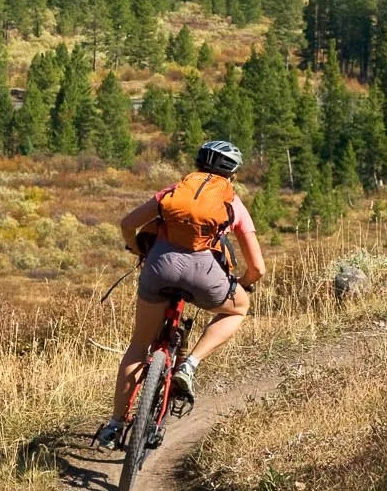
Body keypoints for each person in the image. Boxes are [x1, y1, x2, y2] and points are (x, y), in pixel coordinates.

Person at [95, 140, 265, 450]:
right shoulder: (233, 203)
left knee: (138, 345)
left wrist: (138, 250)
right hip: (206, 276)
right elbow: (258, 267)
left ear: (198, 164)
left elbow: (127, 224)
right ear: (233, 175)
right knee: (239, 307)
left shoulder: (176, 191)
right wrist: (243, 283)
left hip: (159, 268)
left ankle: (115, 424)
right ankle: (190, 365)